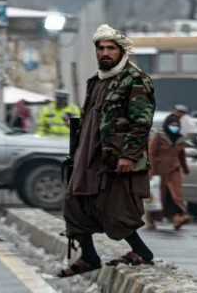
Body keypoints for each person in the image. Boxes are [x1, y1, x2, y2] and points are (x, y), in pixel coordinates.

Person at [58, 24, 156, 278]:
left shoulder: (134, 80)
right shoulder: (96, 82)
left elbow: (141, 122)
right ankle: (89, 257)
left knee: (116, 209)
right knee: (75, 203)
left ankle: (142, 253)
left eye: (111, 48)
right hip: (88, 156)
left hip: (115, 159)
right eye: (101, 48)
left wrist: (128, 155)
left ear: (121, 52)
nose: (105, 52)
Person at [146, 114, 191, 230]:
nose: (174, 128)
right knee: (158, 196)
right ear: (167, 125)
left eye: (177, 125)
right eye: (172, 125)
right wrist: (151, 169)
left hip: (174, 171)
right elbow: (151, 153)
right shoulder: (159, 136)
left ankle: (178, 216)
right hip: (159, 171)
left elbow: (182, 155)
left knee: (175, 195)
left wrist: (185, 168)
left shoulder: (179, 138)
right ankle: (151, 218)